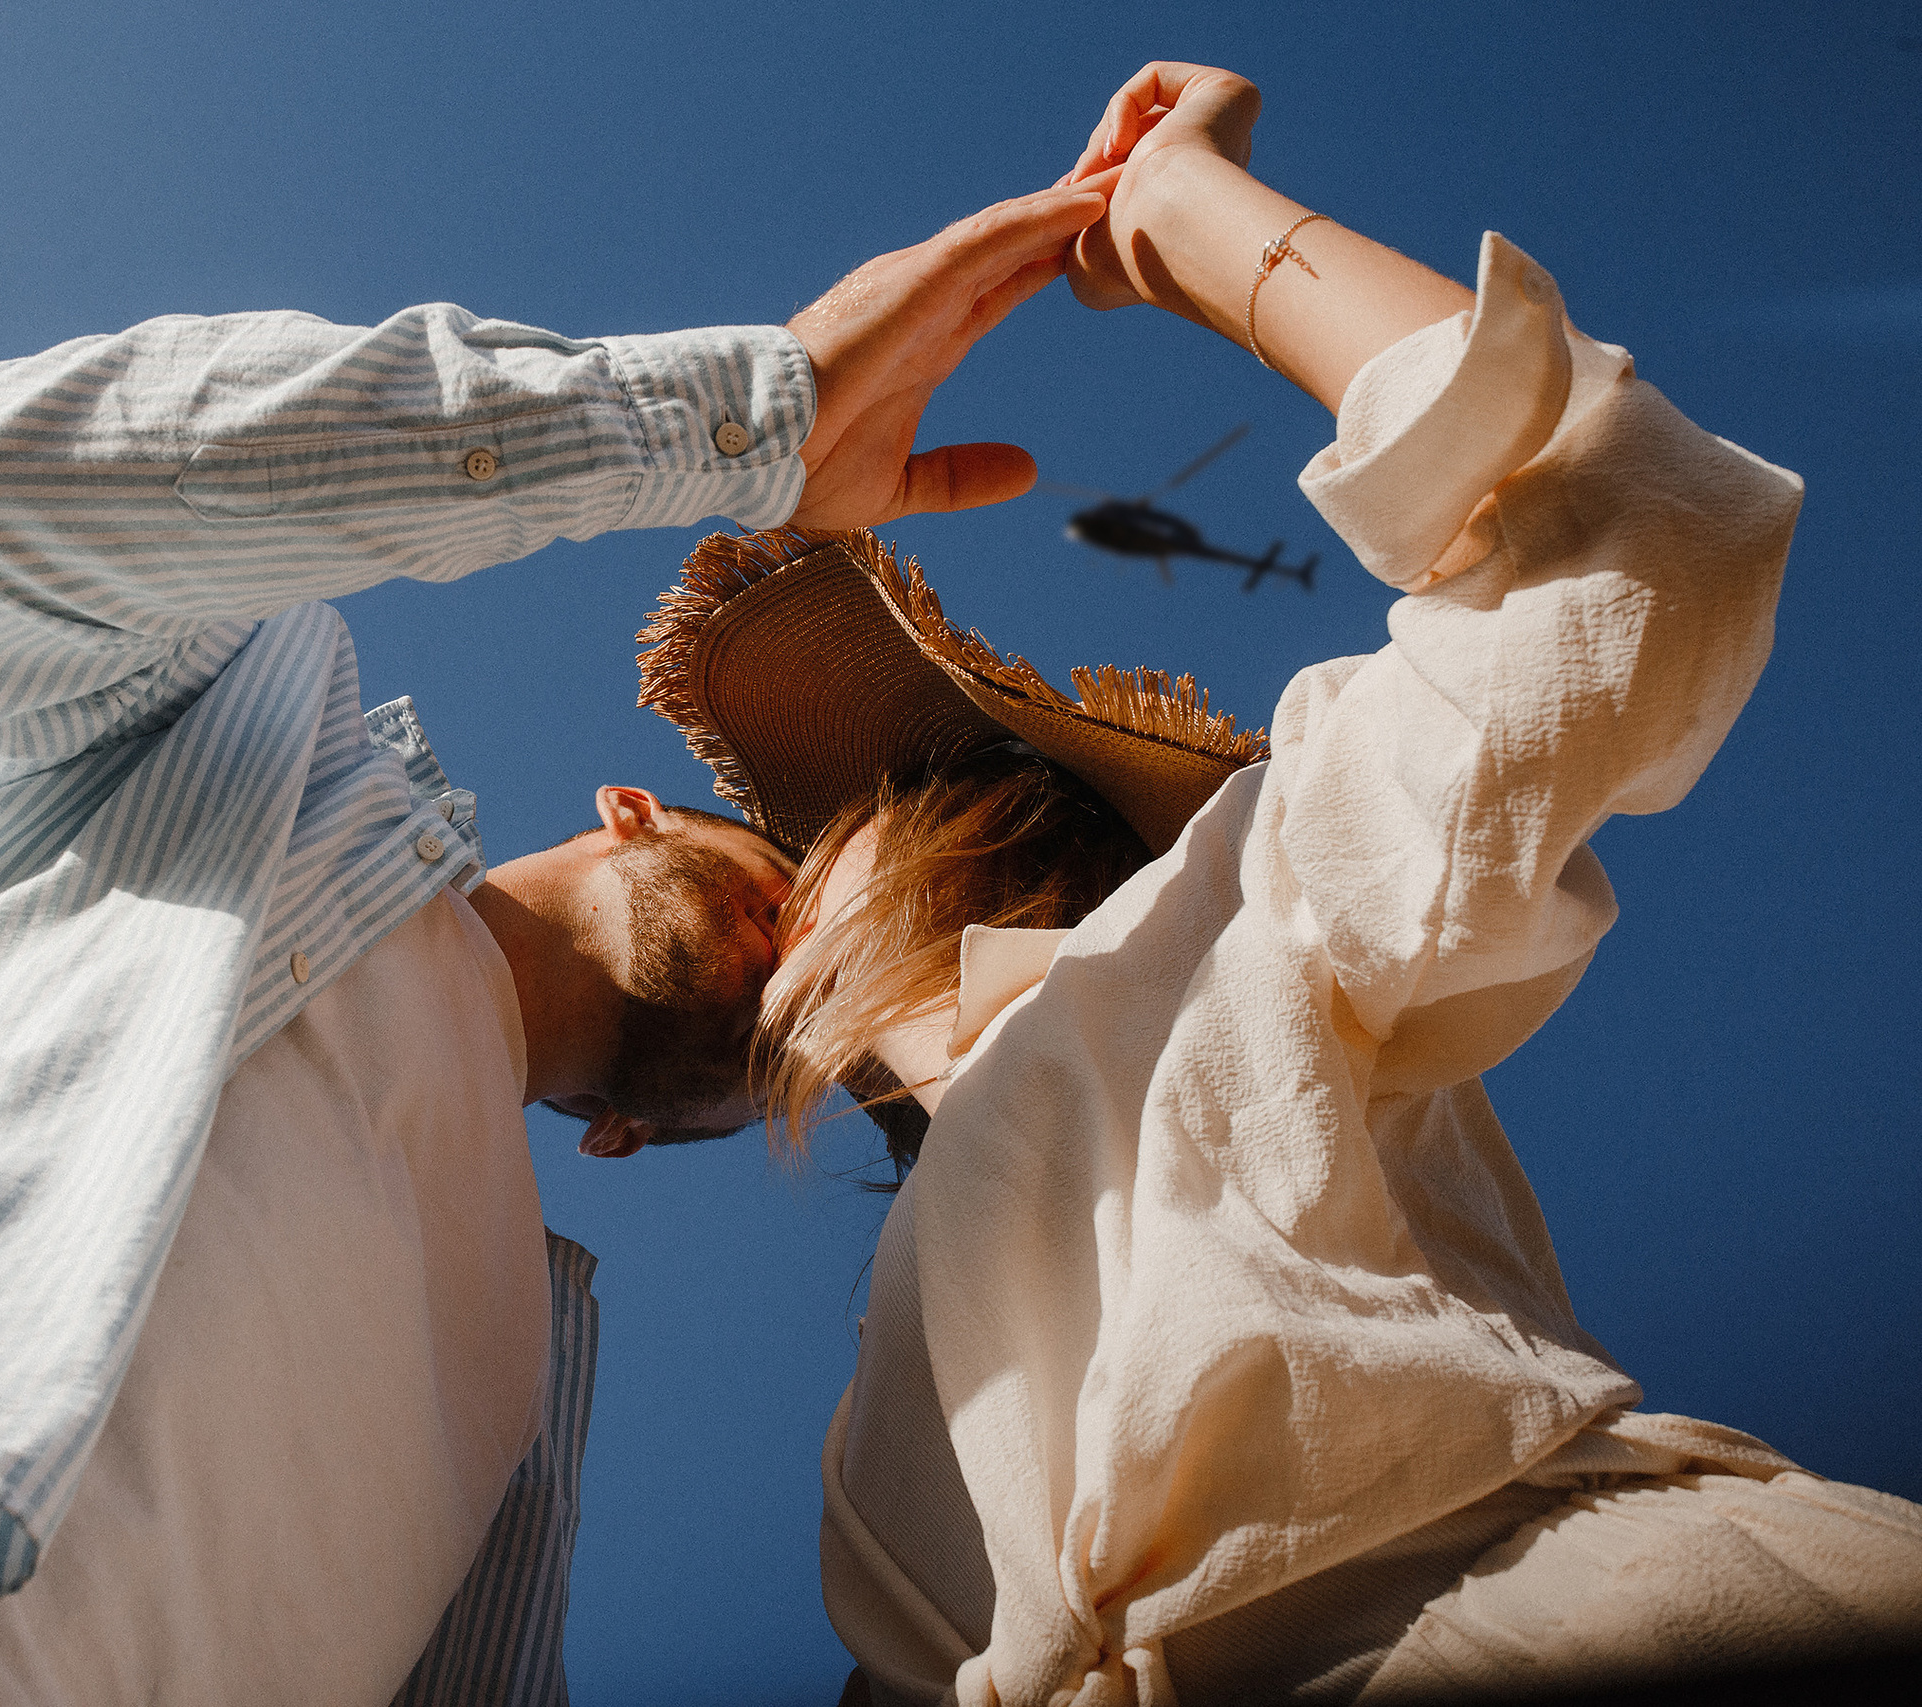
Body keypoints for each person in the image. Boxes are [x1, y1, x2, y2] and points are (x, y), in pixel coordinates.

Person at [0, 178, 1118, 1704]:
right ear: (632, 807)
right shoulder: (249, 733)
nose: (817, 912)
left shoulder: (518, 1413)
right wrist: (734, 426)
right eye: (798, 853)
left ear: (633, 1143)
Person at [638, 61, 1922, 1706]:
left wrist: (1192, 221)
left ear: (975, 840)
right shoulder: (890, 1389)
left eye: (841, 824)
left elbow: (1629, 546)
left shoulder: (1235, 912)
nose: (792, 868)